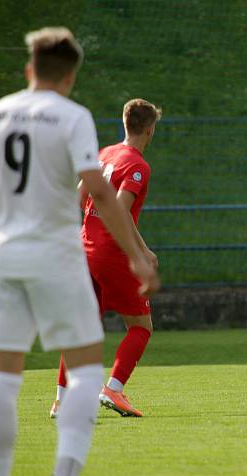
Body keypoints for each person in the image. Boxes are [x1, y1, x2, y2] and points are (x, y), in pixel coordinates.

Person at [0, 27, 160, 476]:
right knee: (91, 365)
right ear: (70, 75)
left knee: (1, 378)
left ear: (29, 69)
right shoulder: (73, 117)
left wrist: (10, 215)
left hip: (3, 255)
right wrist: (136, 254)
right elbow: (100, 193)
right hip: (58, 251)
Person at [50, 98, 161, 419]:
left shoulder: (104, 155)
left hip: (85, 249)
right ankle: (113, 388)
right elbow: (120, 209)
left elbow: (80, 196)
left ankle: (62, 400)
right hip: (112, 254)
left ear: (126, 124)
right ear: (150, 130)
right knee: (141, 326)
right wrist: (141, 252)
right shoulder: (138, 166)